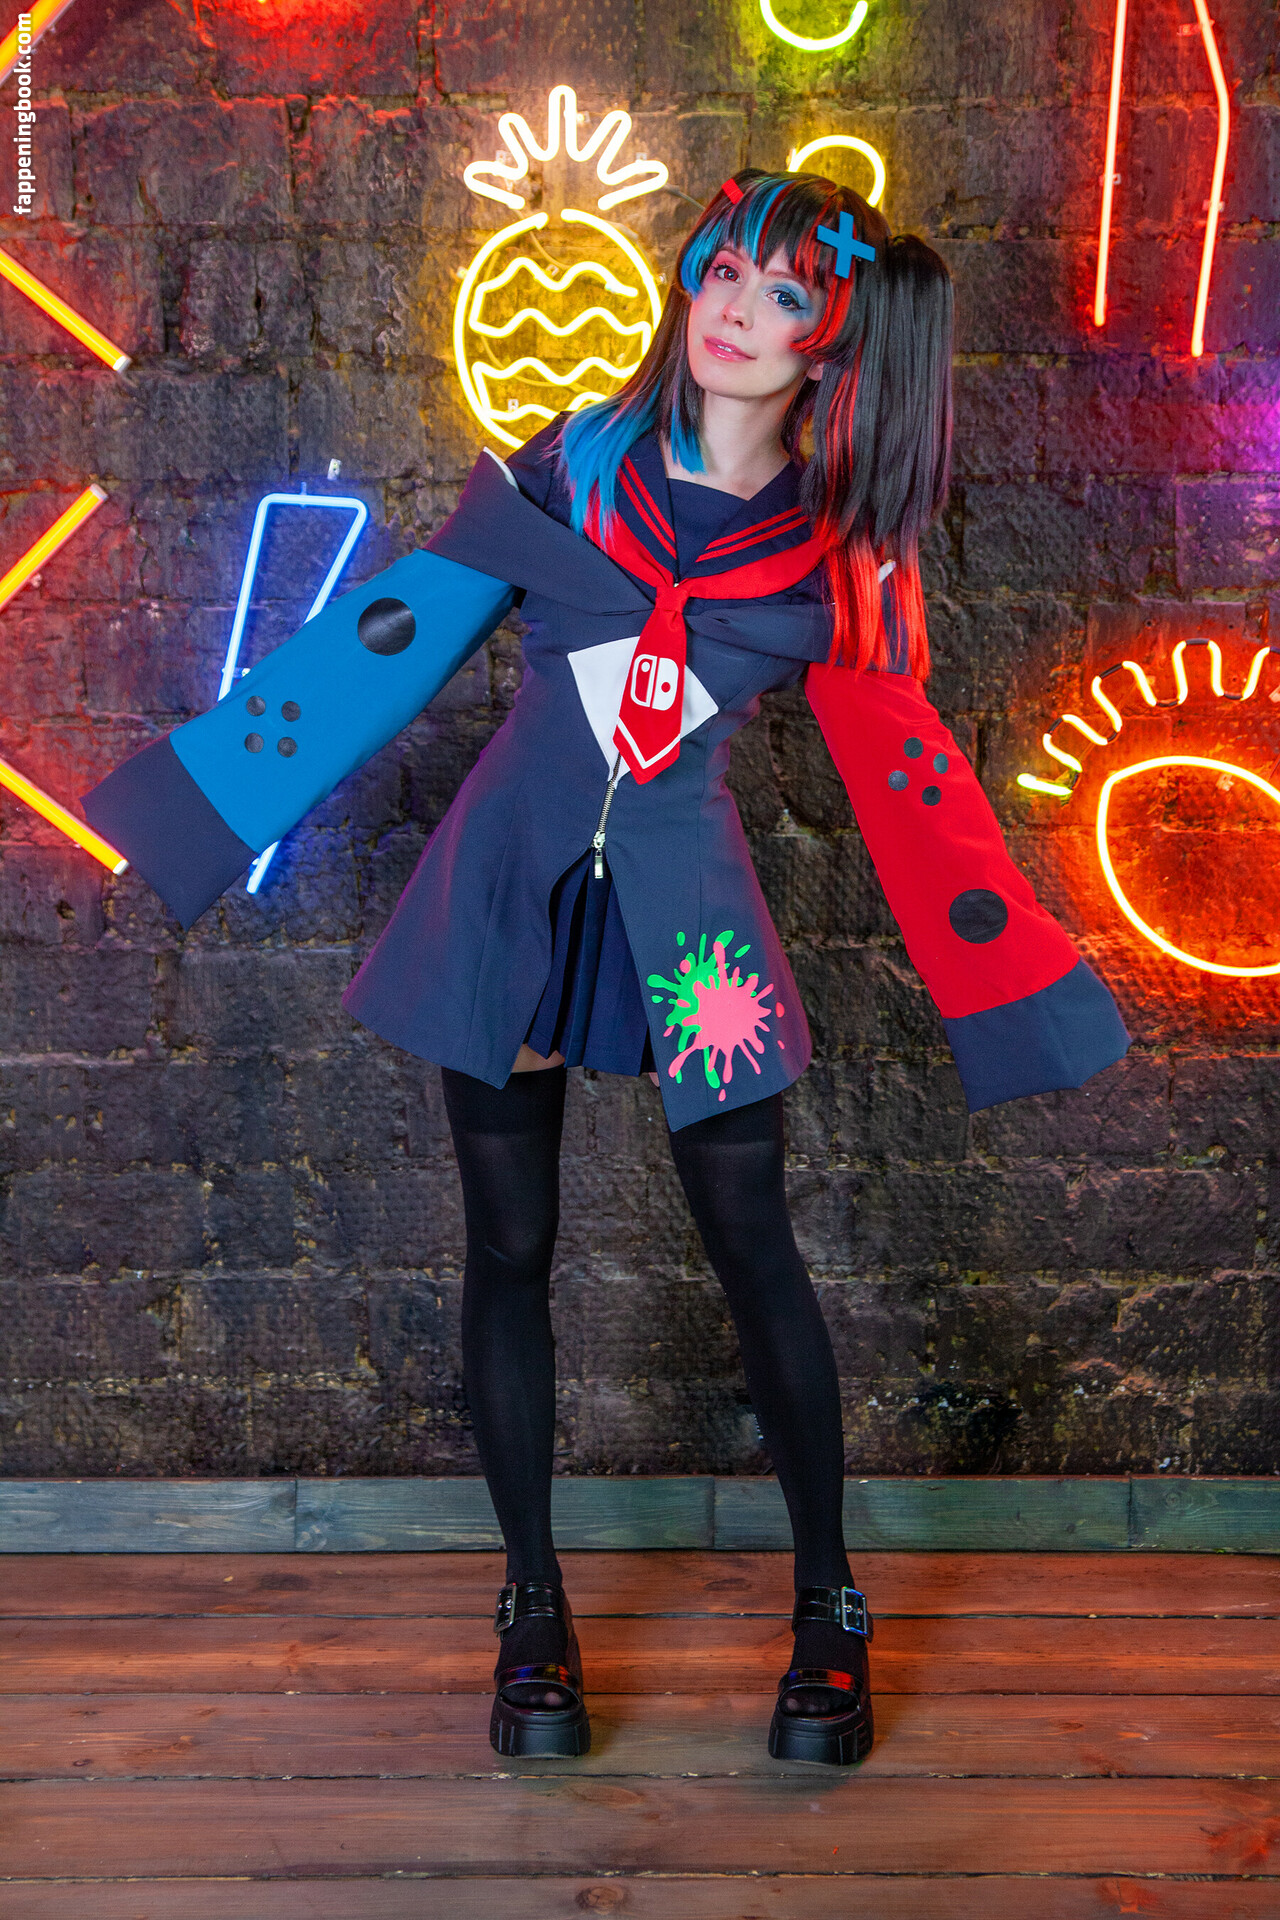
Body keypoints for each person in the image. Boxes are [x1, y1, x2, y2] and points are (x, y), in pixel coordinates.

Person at [84, 170, 1130, 1768]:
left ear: (837, 340)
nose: (736, 311)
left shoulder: (838, 554)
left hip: (691, 922)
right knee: (509, 1247)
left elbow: (920, 790)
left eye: (786, 294)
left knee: (754, 1243)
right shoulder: (576, 464)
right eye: (723, 271)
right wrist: (201, 800)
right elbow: (389, 637)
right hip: (501, 895)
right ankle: (531, 1606)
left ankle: (830, 1605)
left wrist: (1023, 993)